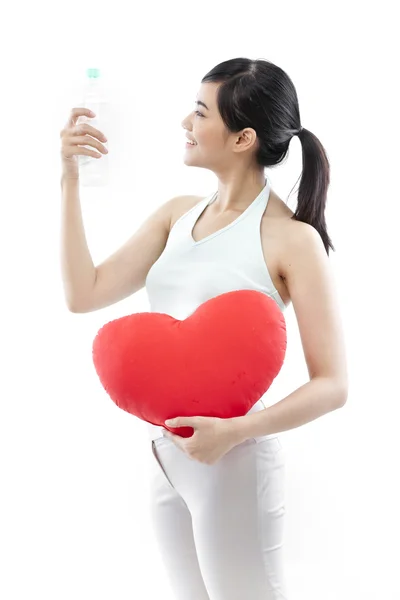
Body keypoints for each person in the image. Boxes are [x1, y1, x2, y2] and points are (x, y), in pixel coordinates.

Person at [60, 57, 348, 600]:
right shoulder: (176, 215)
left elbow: (333, 384)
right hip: (165, 457)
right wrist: (68, 179)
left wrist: (233, 434)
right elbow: (84, 293)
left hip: (235, 458)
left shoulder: (292, 239)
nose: (184, 124)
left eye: (199, 112)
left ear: (243, 138)